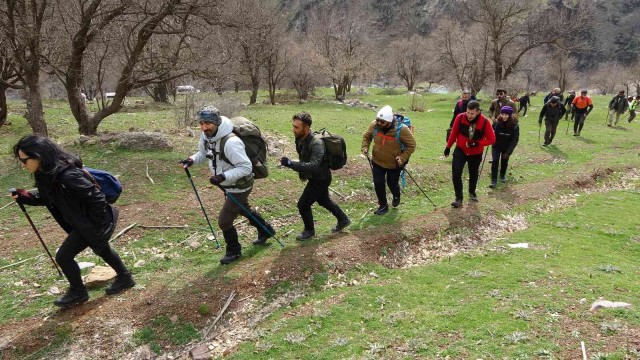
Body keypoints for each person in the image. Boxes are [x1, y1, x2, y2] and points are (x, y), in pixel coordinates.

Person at [11, 135, 135, 308]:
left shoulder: (67, 175)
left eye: (24, 160)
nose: (23, 165)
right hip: (82, 223)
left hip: (91, 222)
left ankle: (78, 292)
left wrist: (94, 227)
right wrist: (26, 197)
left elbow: (97, 198)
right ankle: (125, 277)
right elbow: (48, 197)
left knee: (63, 256)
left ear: (38, 156)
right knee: (101, 248)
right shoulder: (45, 174)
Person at [180, 106, 275, 264]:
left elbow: (246, 167)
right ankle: (266, 230)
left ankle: (234, 251)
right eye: (201, 123)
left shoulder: (231, 142)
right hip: (228, 184)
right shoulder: (206, 136)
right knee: (243, 208)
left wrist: (223, 176)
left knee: (224, 221)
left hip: (240, 185)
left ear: (217, 122)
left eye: (208, 123)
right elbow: (204, 153)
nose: (204, 127)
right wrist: (191, 160)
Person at [280, 112, 351, 240]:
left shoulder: (317, 143)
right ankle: (343, 219)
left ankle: (309, 231)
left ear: (306, 128)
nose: (293, 130)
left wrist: (291, 164)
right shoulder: (300, 138)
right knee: (324, 200)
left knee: (303, 205)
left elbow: (313, 165)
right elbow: (304, 158)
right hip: (316, 177)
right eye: (293, 126)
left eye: (296, 127)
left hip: (321, 179)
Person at [362, 105, 416, 215]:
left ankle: (396, 195)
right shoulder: (374, 125)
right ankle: (383, 206)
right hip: (377, 161)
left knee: (392, 183)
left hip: (394, 164)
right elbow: (367, 136)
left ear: (390, 122)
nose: (378, 123)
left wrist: (402, 157)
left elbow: (412, 145)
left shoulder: (402, 130)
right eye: (377, 120)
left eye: (382, 122)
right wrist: (365, 147)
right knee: (378, 183)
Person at [444, 100, 496, 208]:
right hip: (460, 150)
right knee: (456, 173)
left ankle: (472, 192)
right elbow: (454, 133)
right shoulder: (460, 117)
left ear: (478, 112)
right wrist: (448, 147)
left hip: (476, 153)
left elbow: (492, 139)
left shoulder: (485, 122)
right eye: (468, 112)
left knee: (473, 173)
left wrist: (478, 143)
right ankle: (459, 198)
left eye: (472, 113)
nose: (469, 115)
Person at [490, 106, 519, 188]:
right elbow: (491, 132)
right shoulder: (496, 123)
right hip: (496, 145)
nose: (504, 116)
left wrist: (508, 152)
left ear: (510, 115)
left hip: (507, 146)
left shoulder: (515, 125)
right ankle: (493, 180)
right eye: (502, 114)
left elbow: (515, 140)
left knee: (504, 161)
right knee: (495, 161)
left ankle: (502, 175)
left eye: (506, 115)